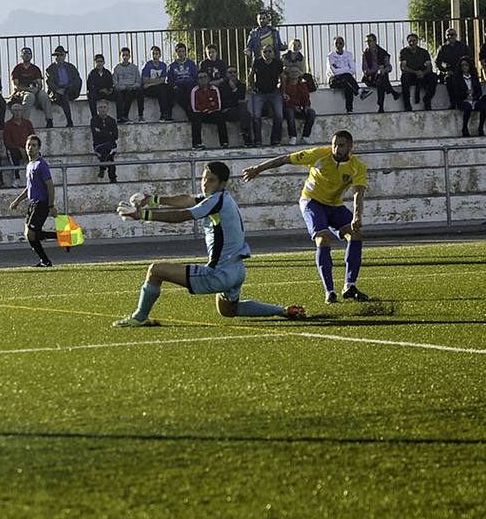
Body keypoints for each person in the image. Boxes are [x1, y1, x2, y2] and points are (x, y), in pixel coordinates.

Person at [111, 161, 306, 326]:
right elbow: (187, 199)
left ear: (222, 184)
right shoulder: (219, 197)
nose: (205, 183)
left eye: (210, 180)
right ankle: (284, 310)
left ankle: (140, 317)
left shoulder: (216, 201)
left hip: (219, 273)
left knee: (155, 271)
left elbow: (185, 215)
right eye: (204, 178)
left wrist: (142, 215)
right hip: (237, 270)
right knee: (228, 310)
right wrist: (152, 200)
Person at [242, 130, 369, 305]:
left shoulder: (357, 166)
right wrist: (258, 169)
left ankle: (349, 285)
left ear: (350, 147)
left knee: (355, 234)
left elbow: (358, 193)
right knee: (323, 239)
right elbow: (285, 159)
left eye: (341, 145)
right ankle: (330, 292)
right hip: (312, 202)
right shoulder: (318, 155)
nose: (336, 148)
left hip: (334, 205)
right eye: (334, 144)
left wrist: (356, 217)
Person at [7, 134, 55, 268]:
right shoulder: (30, 165)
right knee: (29, 235)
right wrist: (17, 201)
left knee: (31, 233)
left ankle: (59, 240)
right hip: (32, 203)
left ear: (39, 148)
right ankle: (46, 260)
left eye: (34, 145)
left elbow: (50, 185)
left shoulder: (41, 165)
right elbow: (29, 187)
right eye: (29, 145)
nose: (30, 148)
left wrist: (51, 205)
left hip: (41, 203)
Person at [249, 45, 286, 145]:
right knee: (256, 116)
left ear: (273, 53)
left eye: (269, 51)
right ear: (262, 53)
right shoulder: (257, 63)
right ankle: (258, 140)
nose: (267, 54)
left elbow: (282, 77)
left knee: (279, 115)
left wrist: (283, 91)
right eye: (265, 52)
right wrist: (252, 88)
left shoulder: (278, 63)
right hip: (259, 93)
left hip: (274, 92)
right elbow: (251, 76)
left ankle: (275, 140)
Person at [450, 59, 486, 137]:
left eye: (466, 65)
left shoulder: (474, 78)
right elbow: (455, 92)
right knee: (468, 108)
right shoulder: (457, 79)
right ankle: (465, 128)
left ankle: (480, 128)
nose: (464, 67)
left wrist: (474, 96)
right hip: (463, 100)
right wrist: (465, 94)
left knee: (484, 107)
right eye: (462, 65)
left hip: (474, 100)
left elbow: (479, 91)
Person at [9, 47, 49, 126]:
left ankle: (49, 120)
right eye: (25, 53)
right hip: (22, 92)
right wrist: (28, 89)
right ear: (21, 56)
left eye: (29, 53)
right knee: (29, 96)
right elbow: (16, 86)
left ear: (31, 56)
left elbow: (40, 84)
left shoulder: (35, 69)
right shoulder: (17, 69)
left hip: (34, 90)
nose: (27, 55)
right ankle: (24, 121)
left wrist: (36, 89)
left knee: (44, 95)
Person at [44, 45, 81, 128]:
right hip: (57, 93)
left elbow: (77, 79)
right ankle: (69, 121)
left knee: (78, 82)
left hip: (70, 90)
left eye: (61, 55)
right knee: (64, 96)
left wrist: (69, 87)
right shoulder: (50, 69)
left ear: (65, 56)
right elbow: (49, 81)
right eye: (57, 55)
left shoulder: (71, 67)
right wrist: (57, 90)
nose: (59, 57)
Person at [398, 33, 437, 110]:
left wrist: (423, 73)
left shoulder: (424, 52)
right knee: (405, 77)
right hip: (411, 75)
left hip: (422, 75)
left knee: (433, 77)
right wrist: (416, 72)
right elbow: (404, 67)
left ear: (417, 41)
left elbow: (429, 67)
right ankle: (407, 104)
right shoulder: (403, 52)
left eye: (414, 41)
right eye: (410, 41)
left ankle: (427, 99)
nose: (412, 43)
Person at [190, 71, 227, 150]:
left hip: (212, 113)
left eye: (204, 77)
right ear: (197, 80)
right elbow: (195, 107)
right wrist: (208, 106)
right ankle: (197, 143)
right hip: (201, 114)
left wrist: (207, 107)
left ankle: (224, 142)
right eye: (200, 78)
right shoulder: (195, 90)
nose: (203, 79)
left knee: (220, 116)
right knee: (196, 118)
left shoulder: (214, 89)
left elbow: (218, 105)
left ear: (208, 78)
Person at [361, 34, 399, 112]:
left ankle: (381, 106)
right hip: (370, 78)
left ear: (375, 41)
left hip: (380, 77)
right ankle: (392, 92)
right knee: (381, 80)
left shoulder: (383, 53)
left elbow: (389, 67)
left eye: (370, 41)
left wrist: (383, 70)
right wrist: (376, 70)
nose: (368, 43)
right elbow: (365, 69)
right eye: (367, 41)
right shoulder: (366, 54)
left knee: (380, 80)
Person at [281, 63, 317, 143]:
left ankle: (306, 136)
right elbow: (284, 101)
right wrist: (293, 107)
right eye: (292, 72)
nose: (294, 74)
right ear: (289, 74)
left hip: (300, 108)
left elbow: (307, 97)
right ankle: (293, 136)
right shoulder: (284, 86)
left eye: (296, 72)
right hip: (289, 108)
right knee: (290, 113)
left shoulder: (303, 86)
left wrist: (306, 106)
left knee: (311, 113)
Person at [1, 102, 35, 185]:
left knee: (37, 155)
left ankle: (36, 177)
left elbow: (33, 137)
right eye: (15, 110)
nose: (17, 112)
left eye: (19, 110)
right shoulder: (8, 125)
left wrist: (27, 148)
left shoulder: (28, 123)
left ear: (22, 111)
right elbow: (7, 142)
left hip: (27, 148)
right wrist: (20, 149)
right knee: (12, 154)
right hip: (15, 149)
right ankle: (16, 178)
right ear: (12, 112)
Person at [434, 28, 472, 98]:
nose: (450, 36)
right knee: (449, 79)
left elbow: (469, 59)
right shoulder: (443, 48)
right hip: (449, 72)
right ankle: (453, 102)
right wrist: (445, 71)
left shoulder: (463, 46)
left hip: (462, 70)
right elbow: (437, 63)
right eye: (448, 35)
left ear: (456, 35)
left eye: (452, 34)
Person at [220, 67, 253, 147]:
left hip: (238, 110)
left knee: (246, 114)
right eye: (230, 72)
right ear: (227, 74)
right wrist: (236, 100)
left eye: (234, 72)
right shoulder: (222, 86)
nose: (233, 74)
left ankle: (245, 134)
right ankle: (246, 137)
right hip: (227, 111)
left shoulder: (241, 85)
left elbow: (240, 98)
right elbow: (225, 101)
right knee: (244, 112)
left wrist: (234, 89)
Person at [165, 43, 198, 123]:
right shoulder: (172, 66)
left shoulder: (191, 64)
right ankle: (170, 115)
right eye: (179, 51)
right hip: (178, 86)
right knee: (176, 93)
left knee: (190, 93)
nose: (181, 53)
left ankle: (191, 112)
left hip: (190, 84)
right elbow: (169, 79)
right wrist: (174, 85)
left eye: (183, 51)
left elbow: (196, 76)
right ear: (176, 53)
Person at [327, 37, 361, 113]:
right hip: (334, 80)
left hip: (346, 80)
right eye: (336, 43)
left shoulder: (348, 55)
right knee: (347, 76)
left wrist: (340, 69)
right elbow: (334, 72)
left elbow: (353, 70)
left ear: (343, 44)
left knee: (348, 84)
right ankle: (359, 91)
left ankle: (349, 109)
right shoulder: (331, 56)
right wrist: (346, 68)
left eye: (340, 43)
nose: (338, 45)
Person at [112, 47, 145, 122]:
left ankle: (140, 115)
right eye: (123, 55)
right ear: (120, 56)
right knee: (127, 94)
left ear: (129, 56)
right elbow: (115, 83)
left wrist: (133, 86)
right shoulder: (116, 68)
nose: (125, 57)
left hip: (133, 88)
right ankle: (124, 116)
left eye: (126, 55)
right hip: (122, 90)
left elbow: (138, 81)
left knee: (141, 92)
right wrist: (124, 87)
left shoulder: (134, 67)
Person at [90, 98, 119, 182]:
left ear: (107, 108)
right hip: (99, 145)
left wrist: (102, 132)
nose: (102, 109)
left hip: (111, 145)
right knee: (109, 156)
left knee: (108, 152)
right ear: (98, 109)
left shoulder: (112, 121)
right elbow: (96, 134)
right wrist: (108, 133)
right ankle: (113, 178)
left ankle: (102, 168)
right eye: (100, 107)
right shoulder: (94, 120)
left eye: (104, 107)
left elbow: (115, 136)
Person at [140, 45, 170, 122]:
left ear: (160, 55)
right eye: (153, 54)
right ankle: (163, 114)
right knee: (161, 89)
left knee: (165, 88)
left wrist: (150, 83)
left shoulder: (163, 65)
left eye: (156, 54)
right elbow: (145, 80)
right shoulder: (147, 65)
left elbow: (163, 80)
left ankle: (166, 114)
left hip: (153, 87)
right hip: (149, 90)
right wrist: (157, 81)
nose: (155, 56)